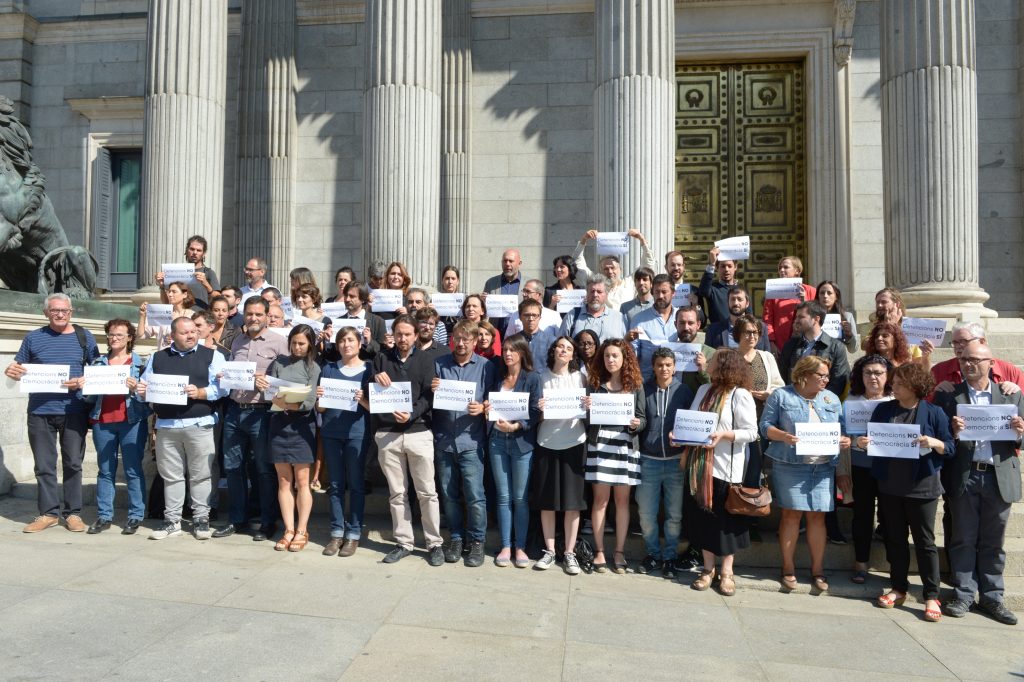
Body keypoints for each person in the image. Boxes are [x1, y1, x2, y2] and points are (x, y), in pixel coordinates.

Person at [937, 343, 1024, 625]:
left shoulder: (1010, 395)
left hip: (998, 475)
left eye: (975, 360)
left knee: (994, 541)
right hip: (965, 473)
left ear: (990, 362)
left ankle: (992, 598)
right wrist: (953, 431)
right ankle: (963, 594)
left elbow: (1021, 439)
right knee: (962, 537)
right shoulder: (950, 395)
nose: (968, 364)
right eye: (965, 359)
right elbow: (941, 439)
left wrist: (1021, 433)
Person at [863, 363, 952, 621]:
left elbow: (950, 447)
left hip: (922, 486)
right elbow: (874, 440)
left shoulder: (934, 413)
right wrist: (864, 442)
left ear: (915, 387)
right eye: (895, 382)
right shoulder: (883, 409)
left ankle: (931, 594)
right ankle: (898, 587)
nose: (894, 386)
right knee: (895, 539)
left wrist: (934, 443)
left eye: (900, 383)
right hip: (890, 486)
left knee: (925, 542)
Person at [6, 293, 100, 533]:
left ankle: (73, 513)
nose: (60, 314)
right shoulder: (33, 338)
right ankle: (48, 513)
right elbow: (17, 369)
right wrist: (12, 371)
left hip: (74, 410)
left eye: (65, 310)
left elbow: (99, 372)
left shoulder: (84, 337)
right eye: (55, 310)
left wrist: (82, 381)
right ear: (46, 312)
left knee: (73, 464)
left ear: (71, 312)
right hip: (40, 411)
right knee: (44, 465)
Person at [761, 356, 851, 592]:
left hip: (823, 468)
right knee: (791, 516)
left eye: (827, 376)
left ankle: (817, 570)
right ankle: (788, 568)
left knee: (818, 518)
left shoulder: (831, 398)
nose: (826, 380)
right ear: (804, 374)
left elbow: (840, 429)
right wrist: (783, 436)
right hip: (790, 464)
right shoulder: (782, 396)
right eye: (821, 375)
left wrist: (843, 441)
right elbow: (765, 427)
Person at [137, 316, 226, 540]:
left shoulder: (213, 356)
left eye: (194, 331)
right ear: (173, 335)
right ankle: (172, 521)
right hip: (167, 425)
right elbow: (146, 386)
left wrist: (201, 393)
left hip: (200, 423)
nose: (191, 335)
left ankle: (201, 519)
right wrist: (141, 391)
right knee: (172, 476)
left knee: (201, 475)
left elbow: (224, 388)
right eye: (185, 332)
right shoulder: (157, 357)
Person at [212, 296, 290, 541]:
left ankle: (267, 522)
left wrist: (266, 383)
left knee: (264, 470)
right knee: (233, 468)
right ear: (243, 315)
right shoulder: (237, 341)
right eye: (249, 314)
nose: (253, 318)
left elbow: (287, 381)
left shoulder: (279, 343)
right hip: (235, 409)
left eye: (258, 314)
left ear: (267, 316)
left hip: (262, 412)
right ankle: (237, 519)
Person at [682, 349, 758, 596]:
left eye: (713, 362)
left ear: (724, 366)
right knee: (704, 521)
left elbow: (752, 432)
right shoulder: (704, 390)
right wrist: (680, 435)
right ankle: (707, 569)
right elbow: (693, 422)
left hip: (727, 468)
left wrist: (724, 435)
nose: (708, 364)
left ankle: (727, 572)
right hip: (701, 468)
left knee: (725, 525)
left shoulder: (740, 395)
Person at [371, 314, 445, 565]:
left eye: (407, 334)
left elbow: (428, 396)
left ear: (415, 335)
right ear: (393, 334)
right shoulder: (381, 358)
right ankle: (404, 542)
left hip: (419, 432)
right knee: (397, 493)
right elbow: (373, 395)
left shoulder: (427, 360)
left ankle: (434, 543)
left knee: (427, 492)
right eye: (399, 334)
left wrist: (411, 414)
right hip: (388, 434)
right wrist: (375, 378)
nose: (402, 339)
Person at [432, 320, 496, 567]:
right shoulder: (439, 365)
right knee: (448, 495)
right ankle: (456, 538)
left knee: (475, 496)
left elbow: (494, 401)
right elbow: (428, 399)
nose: (460, 343)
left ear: (474, 341)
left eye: (465, 339)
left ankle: (477, 541)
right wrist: (433, 388)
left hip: (471, 441)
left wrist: (483, 408)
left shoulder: (486, 367)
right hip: (445, 440)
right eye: (457, 338)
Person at [585, 338, 647, 574]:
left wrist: (635, 424)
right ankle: (600, 551)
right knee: (600, 501)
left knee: (622, 502)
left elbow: (643, 419)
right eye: (607, 356)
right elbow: (588, 421)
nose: (611, 360)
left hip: (625, 447)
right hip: (600, 447)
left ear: (625, 359)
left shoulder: (636, 385)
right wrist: (588, 409)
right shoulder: (595, 383)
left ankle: (619, 551)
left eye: (615, 356)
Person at [84, 319, 150, 534]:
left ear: (129, 338)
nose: (114, 339)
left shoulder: (140, 364)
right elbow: (88, 398)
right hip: (103, 422)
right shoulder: (97, 364)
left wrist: (137, 390)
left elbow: (148, 397)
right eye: (111, 335)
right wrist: (84, 386)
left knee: (133, 469)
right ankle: (104, 516)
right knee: (105, 470)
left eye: (120, 335)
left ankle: (135, 515)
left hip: (131, 422)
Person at [636, 346, 694, 579]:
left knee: (674, 515)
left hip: (675, 462)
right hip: (648, 461)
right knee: (646, 515)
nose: (664, 369)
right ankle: (653, 554)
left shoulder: (685, 391)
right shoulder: (644, 389)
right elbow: (640, 420)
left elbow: (692, 425)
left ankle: (669, 556)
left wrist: (682, 440)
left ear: (675, 367)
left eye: (668, 365)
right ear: (654, 366)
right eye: (660, 365)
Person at [532, 336, 589, 574]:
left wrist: (588, 406)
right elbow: (535, 416)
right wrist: (541, 411)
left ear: (573, 354)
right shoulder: (540, 377)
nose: (563, 350)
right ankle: (549, 551)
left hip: (575, 442)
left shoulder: (581, 378)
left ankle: (569, 552)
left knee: (572, 503)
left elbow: (588, 414)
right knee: (548, 501)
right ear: (553, 350)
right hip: (546, 442)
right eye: (560, 347)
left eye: (568, 348)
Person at [485, 333, 542, 568]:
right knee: (503, 497)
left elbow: (536, 411)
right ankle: (506, 546)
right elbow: (488, 404)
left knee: (519, 498)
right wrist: (487, 406)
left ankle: (520, 547)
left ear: (522, 353)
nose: (508, 354)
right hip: (497, 440)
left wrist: (517, 425)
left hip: (521, 443)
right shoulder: (497, 376)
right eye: (505, 350)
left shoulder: (532, 378)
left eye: (513, 350)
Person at [317, 326, 372, 557]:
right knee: (336, 485)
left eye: (350, 340)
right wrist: (321, 398)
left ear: (359, 344)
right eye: (342, 340)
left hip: (357, 433)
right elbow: (320, 408)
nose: (346, 344)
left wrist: (363, 400)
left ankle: (354, 534)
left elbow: (374, 409)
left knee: (357, 484)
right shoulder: (328, 369)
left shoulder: (369, 370)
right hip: (332, 432)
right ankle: (337, 532)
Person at [266, 325, 321, 552]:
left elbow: (309, 400)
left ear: (310, 345)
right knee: (283, 480)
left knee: (301, 480)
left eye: (302, 343)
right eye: (294, 342)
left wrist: (289, 403)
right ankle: (288, 529)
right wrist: (275, 395)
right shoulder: (279, 363)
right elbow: (270, 393)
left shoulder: (313, 367)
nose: (297, 347)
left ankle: (301, 529)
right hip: (279, 424)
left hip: (301, 426)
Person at [842, 354, 893, 583]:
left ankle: (895, 565)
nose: (873, 377)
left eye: (878, 373)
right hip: (860, 466)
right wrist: (855, 442)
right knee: (862, 516)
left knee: (892, 517)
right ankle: (860, 563)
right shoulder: (850, 401)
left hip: (890, 469)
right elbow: (842, 436)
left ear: (887, 376)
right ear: (860, 376)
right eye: (868, 372)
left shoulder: (895, 400)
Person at [733, 313, 784, 487]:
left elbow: (779, 386)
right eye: (747, 332)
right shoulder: (729, 356)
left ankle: (750, 505)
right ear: (738, 334)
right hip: (734, 422)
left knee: (755, 465)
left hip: (760, 420)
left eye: (755, 332)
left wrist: (769, 394)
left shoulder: (766, 357)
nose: (752, 336)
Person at [572, 229, 658, 310]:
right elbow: (577, 264)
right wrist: (584, 240)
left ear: (620, 269)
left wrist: (641, 238)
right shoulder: (594, 284)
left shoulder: (630, 282)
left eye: (613, 268)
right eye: (606, 269)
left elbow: (648, 263)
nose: (610, 272)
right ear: (600, 271)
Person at [779, 301, 850, 397]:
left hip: (822, 405)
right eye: (796, 317)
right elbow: (782, 376)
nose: (796, 320)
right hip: (792, 401)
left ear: (816, 319)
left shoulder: (836, 347)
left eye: (801, 317)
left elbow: (838, 382)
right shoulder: (790, 345)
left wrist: (819, 402)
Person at [931, 321, 1024, 393]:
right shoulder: (939, 371)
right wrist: (936, 393)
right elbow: (923, 407)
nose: (958, 346)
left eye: (963, 341)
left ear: (982, 341)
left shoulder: (1010, 372)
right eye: (955, 342)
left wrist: (1017, 392)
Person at [763, 255, 816, 353]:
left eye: (786, 267)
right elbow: (767, 319)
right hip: (780, 344)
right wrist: (771, 342)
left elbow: (817, 317)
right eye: (780, 268)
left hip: (806, 343)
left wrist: (805, 301)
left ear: (797, 270)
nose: (782, 270)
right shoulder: (773, 292)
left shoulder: (811, 291)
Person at [155, 235, 220, 310]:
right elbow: (166, 303)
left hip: (200, 318)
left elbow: (218, 299)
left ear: (204, 253)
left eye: (199, 250)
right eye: (192, 249)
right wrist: (162, 286)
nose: (195, 252)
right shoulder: (175, 271)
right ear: (186, 250)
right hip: (179, 318)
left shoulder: (209, 273)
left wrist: (206, 284)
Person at [558, 273, 627, 341]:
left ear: (607, 294)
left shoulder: (618, 318)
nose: (595, 295)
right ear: (587, 293)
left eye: (599, 292)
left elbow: (625, 345)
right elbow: (560, 342)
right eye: (592, 291)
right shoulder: (572, 316)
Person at [698, 246, 749, 326]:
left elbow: (749, 314)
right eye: (723, 266)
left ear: (735, 267)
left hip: (740, 333)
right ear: (717, 268)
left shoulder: (742, 290)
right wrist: (711, 264)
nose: (726, 269)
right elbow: (703, 292)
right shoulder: (713, 289)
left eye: (729, 266)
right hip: (719, 335)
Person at [139, 280, 195, 350]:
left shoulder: (192, 315)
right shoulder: (161, 312)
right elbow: (141, 335)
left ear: (184, 294)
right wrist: (142, 315)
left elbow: (196, 338)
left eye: (174, 292)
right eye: (169, 291)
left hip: (185, 356)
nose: (170, 294)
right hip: (164, 355)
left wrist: (176, 339)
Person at [671, 306, 715, 394]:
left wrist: (704, 370)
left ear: (698, 325)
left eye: (690, 323)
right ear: (675, 324)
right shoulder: (667, 351)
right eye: (682, 323)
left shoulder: (712, 354)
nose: (686, 327)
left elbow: (714, 390)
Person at [814, 280, 859, 352]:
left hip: (838, 360)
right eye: (822, 293)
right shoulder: (812, 317)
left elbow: (853, 349)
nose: (825, 296)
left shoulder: (847, 317)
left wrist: (849, 335)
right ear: (818, 296)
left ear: (836, 296)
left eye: (829, 293)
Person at [293, 283, 334, 352]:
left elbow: (326, 349)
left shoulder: (325, 320)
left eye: (304, 297)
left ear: (314, 299)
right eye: (298, 296)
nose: (299, 299)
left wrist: (319, 341)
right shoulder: (294, 320)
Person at [516, 298, 559, 364]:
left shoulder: (551, 341)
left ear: (539, 318)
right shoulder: (513, 341)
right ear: (520, 317)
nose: (531, 319)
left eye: (534, 315)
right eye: (527, 315)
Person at [437, 264, 462, 336]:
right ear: (442, 281)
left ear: (458, 281)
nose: (450, 281)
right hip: (440, 337)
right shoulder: (435, 300)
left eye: (453, 278)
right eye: (447, 278)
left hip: (459, 337)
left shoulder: (465, 300)